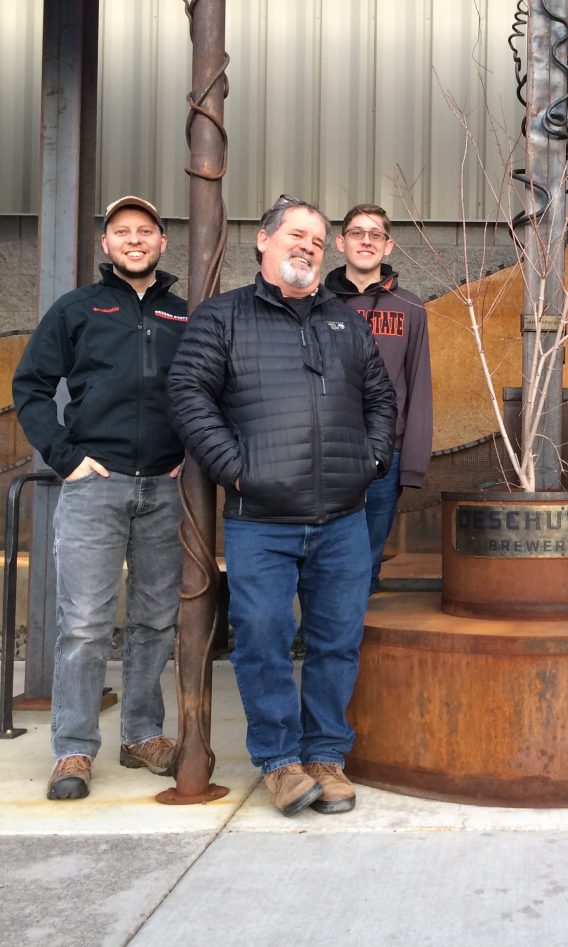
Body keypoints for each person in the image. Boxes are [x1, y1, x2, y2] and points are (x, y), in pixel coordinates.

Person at [167, 195, 399, 818]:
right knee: (264, 639)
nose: (309, 248)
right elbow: (188, 393)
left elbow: (381, 399)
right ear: (264, 241)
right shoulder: (223, 318)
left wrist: (371, 462)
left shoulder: (346, 322)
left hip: (342, 520)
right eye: (297, 235)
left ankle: (325, 753)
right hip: (261, 521)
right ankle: (278, 761)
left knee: (336, 640)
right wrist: (239, 471)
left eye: (318, 242)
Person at [12, 196, 187, 801]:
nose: (134, 240)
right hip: (95, 485)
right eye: (121, 232)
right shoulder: (78, 309)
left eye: (145, 231)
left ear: (164, 242)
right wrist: (65, 458)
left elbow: (208, 391)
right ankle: (73, 749)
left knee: (156, 620)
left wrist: (191, 454)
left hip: (166, 488)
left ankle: (142, 734)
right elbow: (31, 385)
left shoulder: (184, 317)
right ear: (106, 245)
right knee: (84, 624)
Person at [325, 204, 432, 595]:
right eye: (356, 233)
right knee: (325, 552)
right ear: (340, 243)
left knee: (367, 556)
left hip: (387, 452)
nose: (366, 241)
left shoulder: (410, 306)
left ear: (388, 246)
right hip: (327, 449)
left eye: (375, 234)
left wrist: (413, 462)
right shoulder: (318, 303)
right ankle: (313, 637)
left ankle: (357, 644)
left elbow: (419, 383)